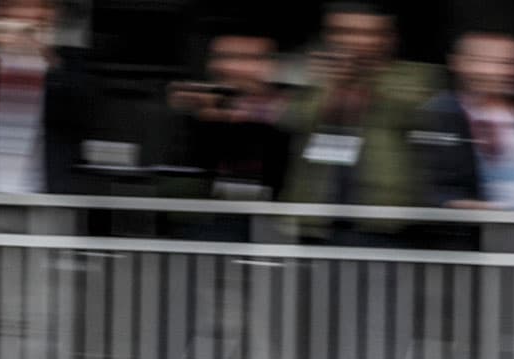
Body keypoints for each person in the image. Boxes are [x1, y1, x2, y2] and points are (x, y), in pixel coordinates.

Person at [283, 2, 437, 242]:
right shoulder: (311, 76)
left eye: (365, 33)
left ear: (388, 39)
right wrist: (332, 86)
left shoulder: (415, 76)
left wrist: (363, 77)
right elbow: (293, 120)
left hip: (383, 217)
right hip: (315, 215)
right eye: (343, 32)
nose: (352, 41)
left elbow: (412, 112)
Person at [419, 31, 514, 212]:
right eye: (497, 63)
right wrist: (490, 211)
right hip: (473, 233)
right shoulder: (442, 114)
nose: (510, 72)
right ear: (460, 63)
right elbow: (432, 189)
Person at [0, 0, 89, 201]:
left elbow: (79, 109)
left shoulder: (70, 63)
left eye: (42, 6)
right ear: (1, 12)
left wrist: (45, 56)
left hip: (46, 197)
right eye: (20, 5)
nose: (33, 13)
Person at [162, 31, 291, 213]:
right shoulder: (193, 108)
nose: (232, 68)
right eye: (223, 57)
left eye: (247, 59)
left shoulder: (288, 109)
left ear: (271, 65)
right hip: (202, 215)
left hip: (271, 217)